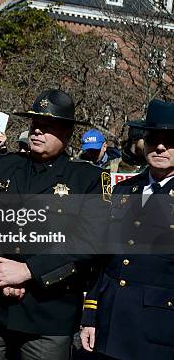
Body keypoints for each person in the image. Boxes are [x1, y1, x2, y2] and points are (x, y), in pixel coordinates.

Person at [0, 89, 110, 360]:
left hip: (48, 314)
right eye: (35, 125)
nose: (37, 132)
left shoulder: (87, 179)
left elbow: (88, 243)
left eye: (47, 127)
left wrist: (28, 271)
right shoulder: (3, 166)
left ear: (68, 134)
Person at [80, 99, 174, 360]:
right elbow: (103, 258)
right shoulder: (124, 190)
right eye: (154, 139)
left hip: (159, 331)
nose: (161, 147)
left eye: (170, 140)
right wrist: (90, 314)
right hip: (111, 321)